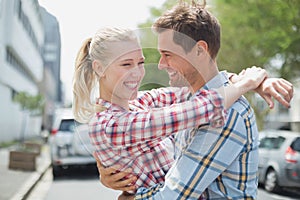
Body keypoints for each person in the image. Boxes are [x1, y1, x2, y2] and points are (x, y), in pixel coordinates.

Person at [95, 1, 294, 199]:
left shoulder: (226, 113)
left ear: (199, 50)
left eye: (167, 55)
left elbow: (173, 196)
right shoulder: (188, 102)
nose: (161, 65)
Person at [72, 27, 269, 194]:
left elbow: (194, 91)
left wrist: (248, 81)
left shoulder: (139, 103)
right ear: (99, 68)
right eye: (126, 64)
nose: (138, 73)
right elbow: (196, 109)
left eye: (140, 62)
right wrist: (247, 84)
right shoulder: (108, 126)